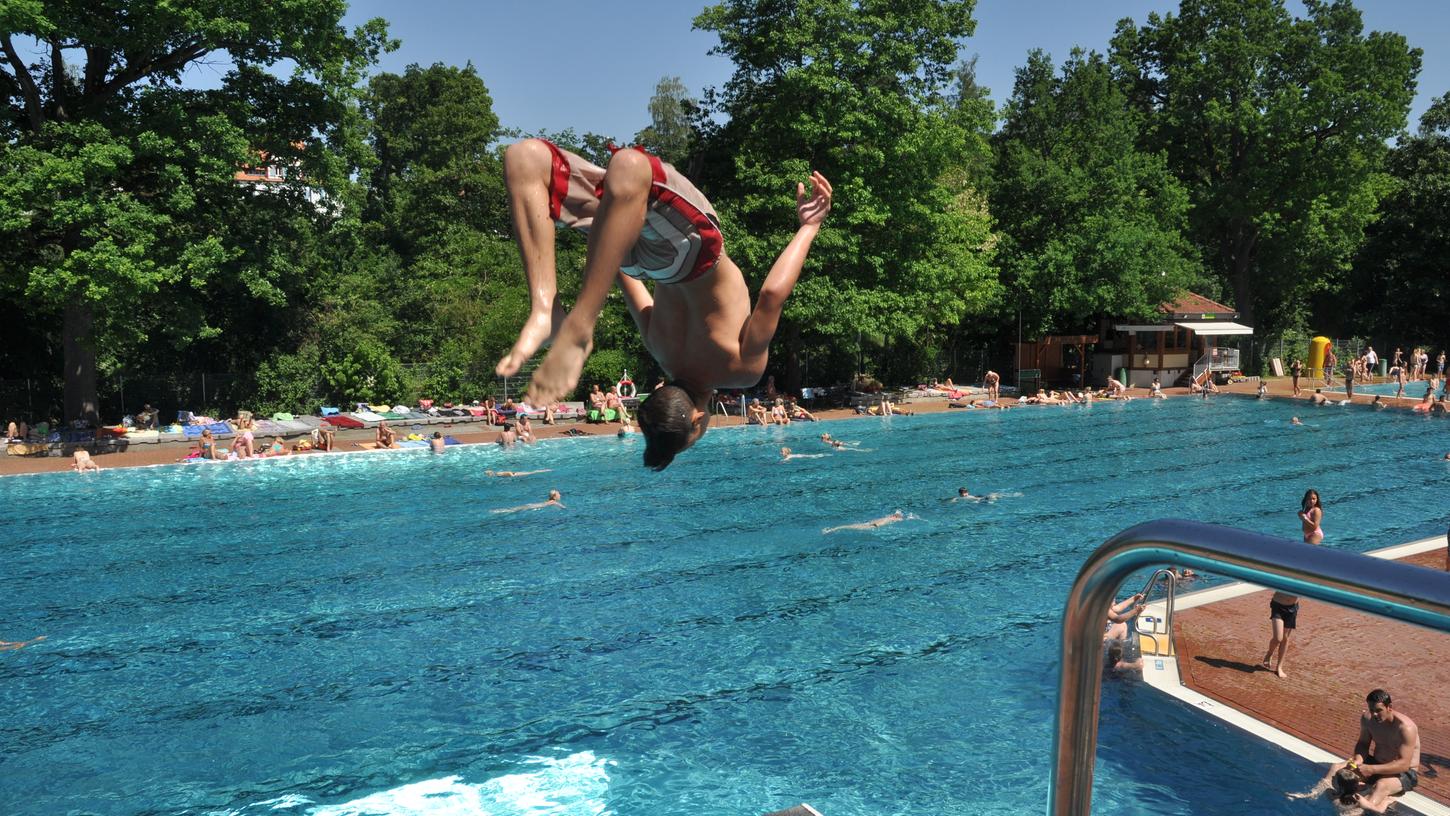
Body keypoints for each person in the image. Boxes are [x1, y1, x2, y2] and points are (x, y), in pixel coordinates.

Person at [491, 138, 833, 470]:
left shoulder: (741, 370)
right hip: (638, 259)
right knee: (526, 159)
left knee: (630, 165)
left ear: (698, 421)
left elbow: (771, 295)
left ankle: (562, 314)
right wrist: (608, 227)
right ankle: (545, 303)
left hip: (692, 252)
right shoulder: (659, 348)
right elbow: (623, 278)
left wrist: (809, 227)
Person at [1315, 689, 1421, 815]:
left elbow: (1403, 764)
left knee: (1381, 785)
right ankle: (1315, 796)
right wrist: (1358, 759)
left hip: (1404, 772)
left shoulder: (1405, 728)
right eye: (1372, 710)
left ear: (1389, 707)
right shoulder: (1368, 719)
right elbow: (1363, 744)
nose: (1374, 714)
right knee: (1337, 768)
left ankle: (1355, 813)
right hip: (1375, 763)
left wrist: (1371, 770)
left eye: (1378, 710)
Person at [1260, 488, 1323, 678]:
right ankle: (1269, 653)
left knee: (1285, 639)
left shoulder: (1315, 512)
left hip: (1293, 607)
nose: (1313, 501)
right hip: (1279, 605)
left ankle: (1279, 666)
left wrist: (1303, 517)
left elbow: (1314, 528)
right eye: (1310, 498)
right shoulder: (1289, 569)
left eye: (1315, 498)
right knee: (1278, 638)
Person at [822, 510, 911, 534]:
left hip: (871, 525)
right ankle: (830, 530)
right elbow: (901, 517)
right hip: (870, 525)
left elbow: (899, 516)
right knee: (847, 526)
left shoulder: (890, 517)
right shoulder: (891, 518)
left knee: (847, 526)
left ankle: (830, 530)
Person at [491, 489, 565, 514]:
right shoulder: (553, 502)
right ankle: (497, 511)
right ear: (555, 497)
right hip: (532, 507)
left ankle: (497, 510)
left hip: (531, 505)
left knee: (512, 509)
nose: (560, 495)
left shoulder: (549, 501)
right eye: (559, 494)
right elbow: (564, 508)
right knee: (511, 511)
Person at [485, 469, 552, 477]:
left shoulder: (497, 474)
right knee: (531, 472)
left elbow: (508, 472)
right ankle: (546, 470)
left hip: (516, 474)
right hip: (516, 473)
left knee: (531, 473)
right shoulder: (497, 474)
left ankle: (546, 470)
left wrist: (512, 476)